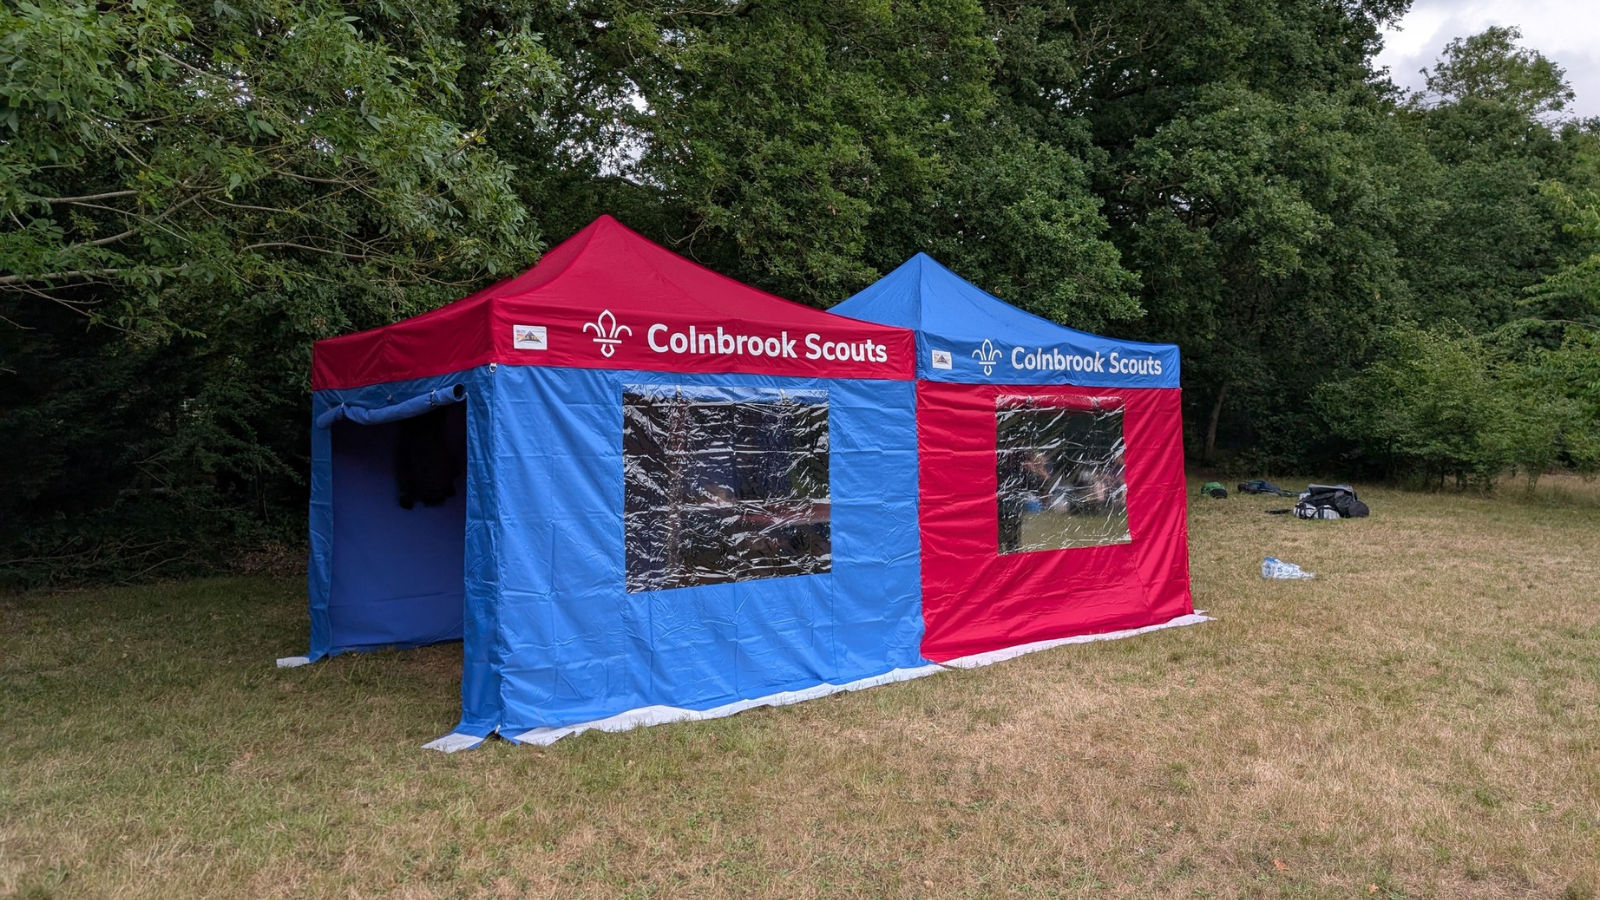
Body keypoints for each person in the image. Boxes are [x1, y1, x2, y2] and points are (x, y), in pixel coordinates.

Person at [997, 448, 1051, 553]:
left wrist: (1036, 472)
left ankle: (1011, 555)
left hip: (1013, 510)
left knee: (1013, 542)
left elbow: (1036, 488)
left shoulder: (1022, 470)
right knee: (1001, 541)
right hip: (1001, 509)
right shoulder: (1003, 466)